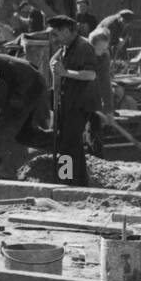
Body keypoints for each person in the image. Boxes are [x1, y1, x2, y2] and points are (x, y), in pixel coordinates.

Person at [48, 15, 98, 187]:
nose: (55, 37)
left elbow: (91, 74)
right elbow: (54, 61)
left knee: (67, 144)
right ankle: (81, 181)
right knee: (72, 143)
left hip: (80, 104)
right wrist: (54, 65)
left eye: (57, 33)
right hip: (68, 102)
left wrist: (65, 73)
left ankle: (65, 180)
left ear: (68, 31)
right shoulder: (66, 47)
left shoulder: (84, 47)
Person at [87, 25, 113, 157]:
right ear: (92, 45)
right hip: (74, 93)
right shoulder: (81, 52)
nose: (103, 51)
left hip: (93, 93)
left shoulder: (105, 55)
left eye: (105, 48)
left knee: (96, 128)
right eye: (100, 48)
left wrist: (108, 110)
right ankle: (66, 171)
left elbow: (105, 82)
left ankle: (97, 160)